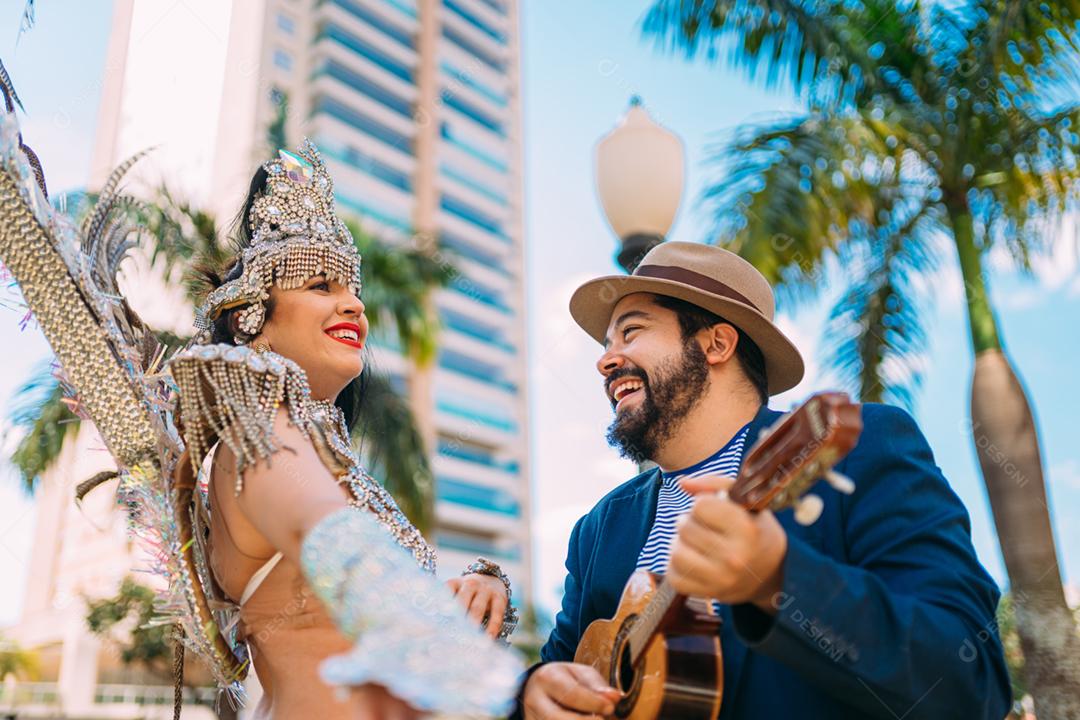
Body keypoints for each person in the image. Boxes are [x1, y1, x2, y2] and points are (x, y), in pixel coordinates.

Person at [0, 99, 522, 720]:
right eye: (320, 284)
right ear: (252, 316)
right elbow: (333, 544)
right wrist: (507, 689)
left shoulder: (308, 445)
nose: (354, 305)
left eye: (354, 289)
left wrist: (483, 592)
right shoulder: (254, 428)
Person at [518, 242, 1012, 719]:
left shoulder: (861, 449)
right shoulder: (599, 528)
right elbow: (559, 669)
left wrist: (779, 577)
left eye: (631, 332)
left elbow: (971, 685)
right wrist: (533, 692)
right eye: (607, 344)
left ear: (716, 343)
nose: (605, 360)